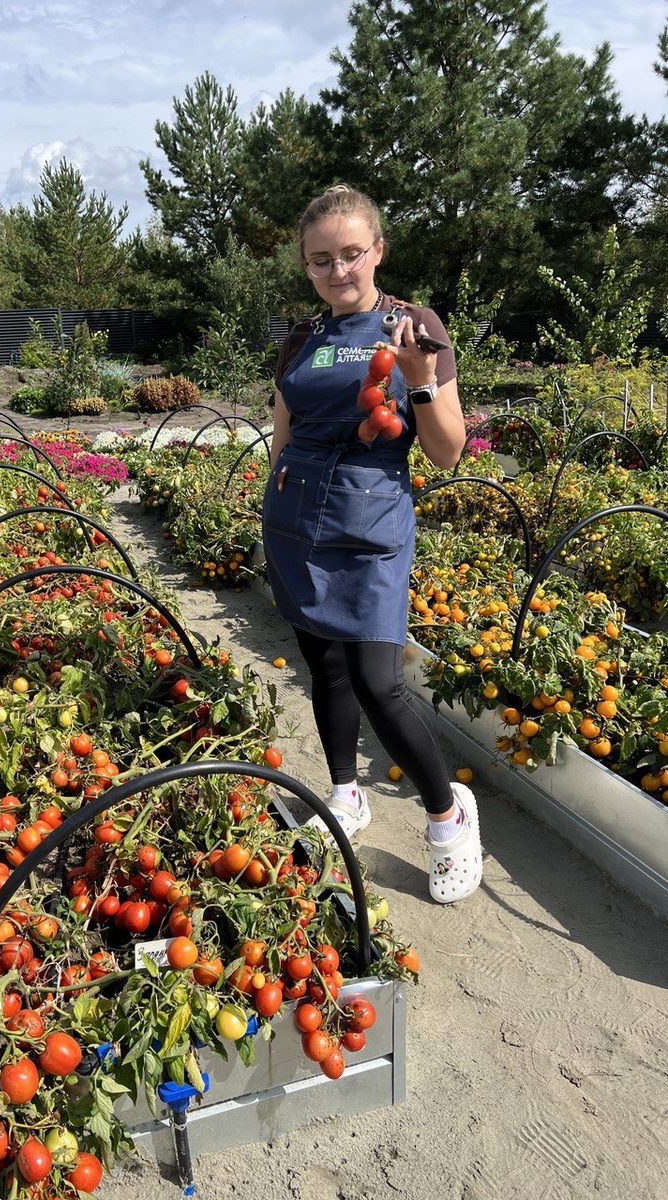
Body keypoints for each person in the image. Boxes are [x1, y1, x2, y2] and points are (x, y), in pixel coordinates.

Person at [261, 183, 482, 904]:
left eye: (352, 254)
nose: (338, 271)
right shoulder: (303, 338)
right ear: (306, 264)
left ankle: (448, 817)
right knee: (324, 669)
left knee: (379, 685)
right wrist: (277, 501)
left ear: (378, 250)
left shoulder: (415, 327)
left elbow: (446, 452)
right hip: (298, 524)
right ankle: (345, 795)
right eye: (321, 259)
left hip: (369, 526)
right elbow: (283, 432)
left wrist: (419, 383)